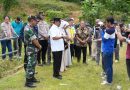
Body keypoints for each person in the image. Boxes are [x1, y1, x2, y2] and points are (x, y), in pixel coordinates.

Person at [24, 16, 42, 87]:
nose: (36, 22)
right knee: (30, 65)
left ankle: (32, 77)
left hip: (33, 48)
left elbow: (35, 38)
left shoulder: (31, 27)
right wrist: (39, 46)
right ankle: (28, 82)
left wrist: (37, 46)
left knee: (33, 64)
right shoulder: (27, 29)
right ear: (32, 20)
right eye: (35, 21)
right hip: (30, 48)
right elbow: (34, 40)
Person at [101, 16, 115, 85]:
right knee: (109, 65)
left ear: (109, 22)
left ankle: (109, 81)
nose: (105, 23)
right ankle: (109, 79)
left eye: (106, 22)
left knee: (107, 66)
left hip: (107, 50)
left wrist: (103, 31)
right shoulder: (112, 29)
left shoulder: (109, 30)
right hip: (110, 49)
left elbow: (104, 39)